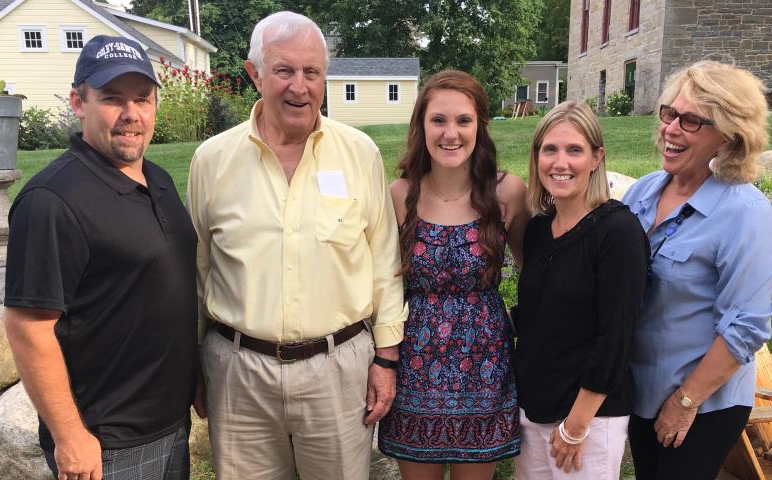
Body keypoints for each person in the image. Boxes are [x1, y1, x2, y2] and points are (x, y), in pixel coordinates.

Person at [186, 11, 407, 480]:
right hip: (238, 372)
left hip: (337, 370)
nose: (299, 87)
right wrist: (193, 359)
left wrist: (386, 358)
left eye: (313, 73)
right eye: (284, 70)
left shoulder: (359, 153)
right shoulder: (212, 161)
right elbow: (197, 267)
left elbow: (385, 260)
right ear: (255, 73)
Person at [3, 35, 197, 480]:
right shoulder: (52, 200)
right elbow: (28, 328)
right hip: (105, 442)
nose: (132, 115)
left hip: (169, 422)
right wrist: (70, 436)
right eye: (112, 99)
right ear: (78, 101)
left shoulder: (159, 179)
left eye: (143, 100)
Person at [621, 60, 772, 479]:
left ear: (728, 135)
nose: (671, 128)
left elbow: (746, 327)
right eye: (669, 113)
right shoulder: (642, 192)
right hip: (641, 391)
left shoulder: (744, 211)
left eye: (692, 121)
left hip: (703, 403)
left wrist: (685, 402)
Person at [377, 70, 529, 479]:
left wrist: (521, 323)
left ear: (480, 125)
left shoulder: (507, 193)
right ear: (421, 127)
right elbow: (383, 282)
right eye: (438, 120)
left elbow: (538, 274)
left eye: (463, 120)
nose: (451, 133)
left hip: (485, 366)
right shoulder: (398, 194)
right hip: (415, 366)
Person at [512, 101, 648, 479]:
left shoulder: (617, 232)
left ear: (596, 157)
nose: (560, 162)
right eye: (549, 149)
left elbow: (616, 337)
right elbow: (543, 315)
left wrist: (576, 426)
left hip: (588, 417)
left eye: (574, 150)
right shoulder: (539, 229)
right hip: (534, 408)